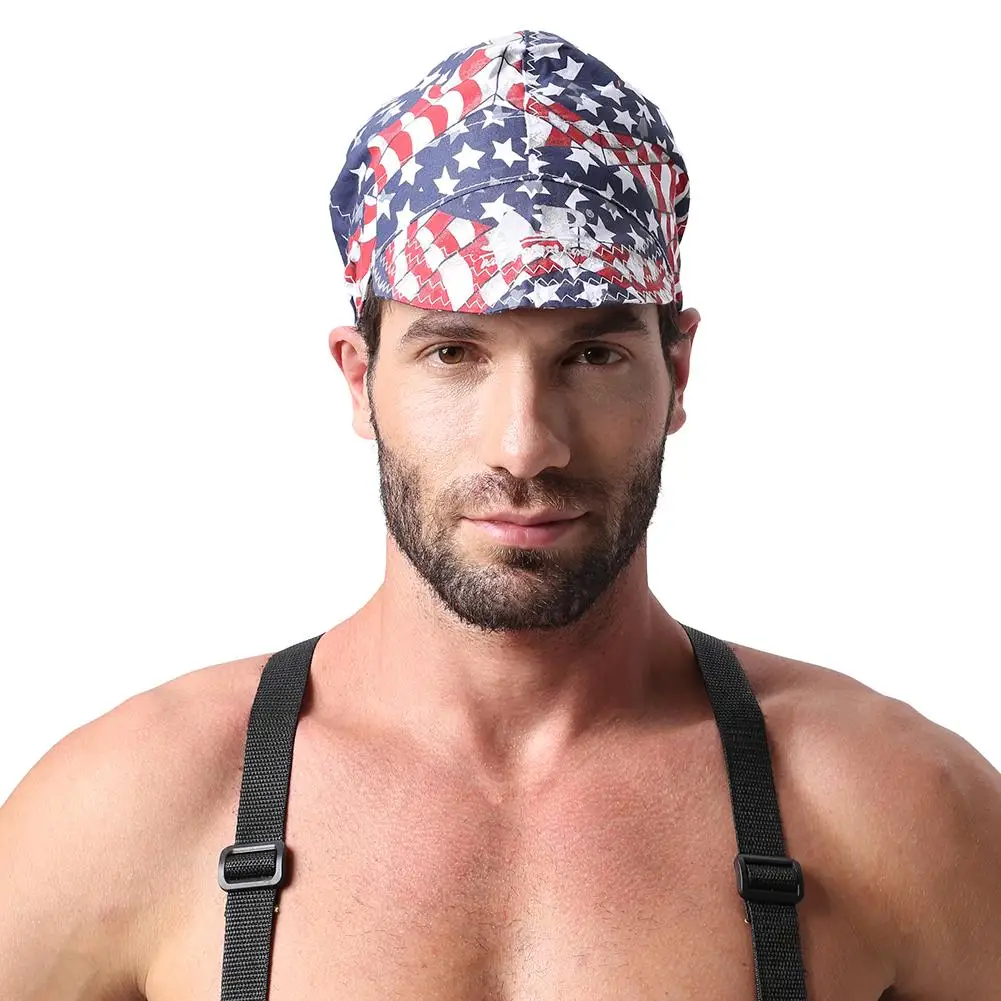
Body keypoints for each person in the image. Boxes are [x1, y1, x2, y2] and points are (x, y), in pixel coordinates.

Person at [1, 27, 998, 1001]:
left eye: (591, 355)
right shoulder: (129, 812)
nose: (524, 444)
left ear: (677, 370)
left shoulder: (893, 808)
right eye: (453, 353)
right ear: (358, 379)